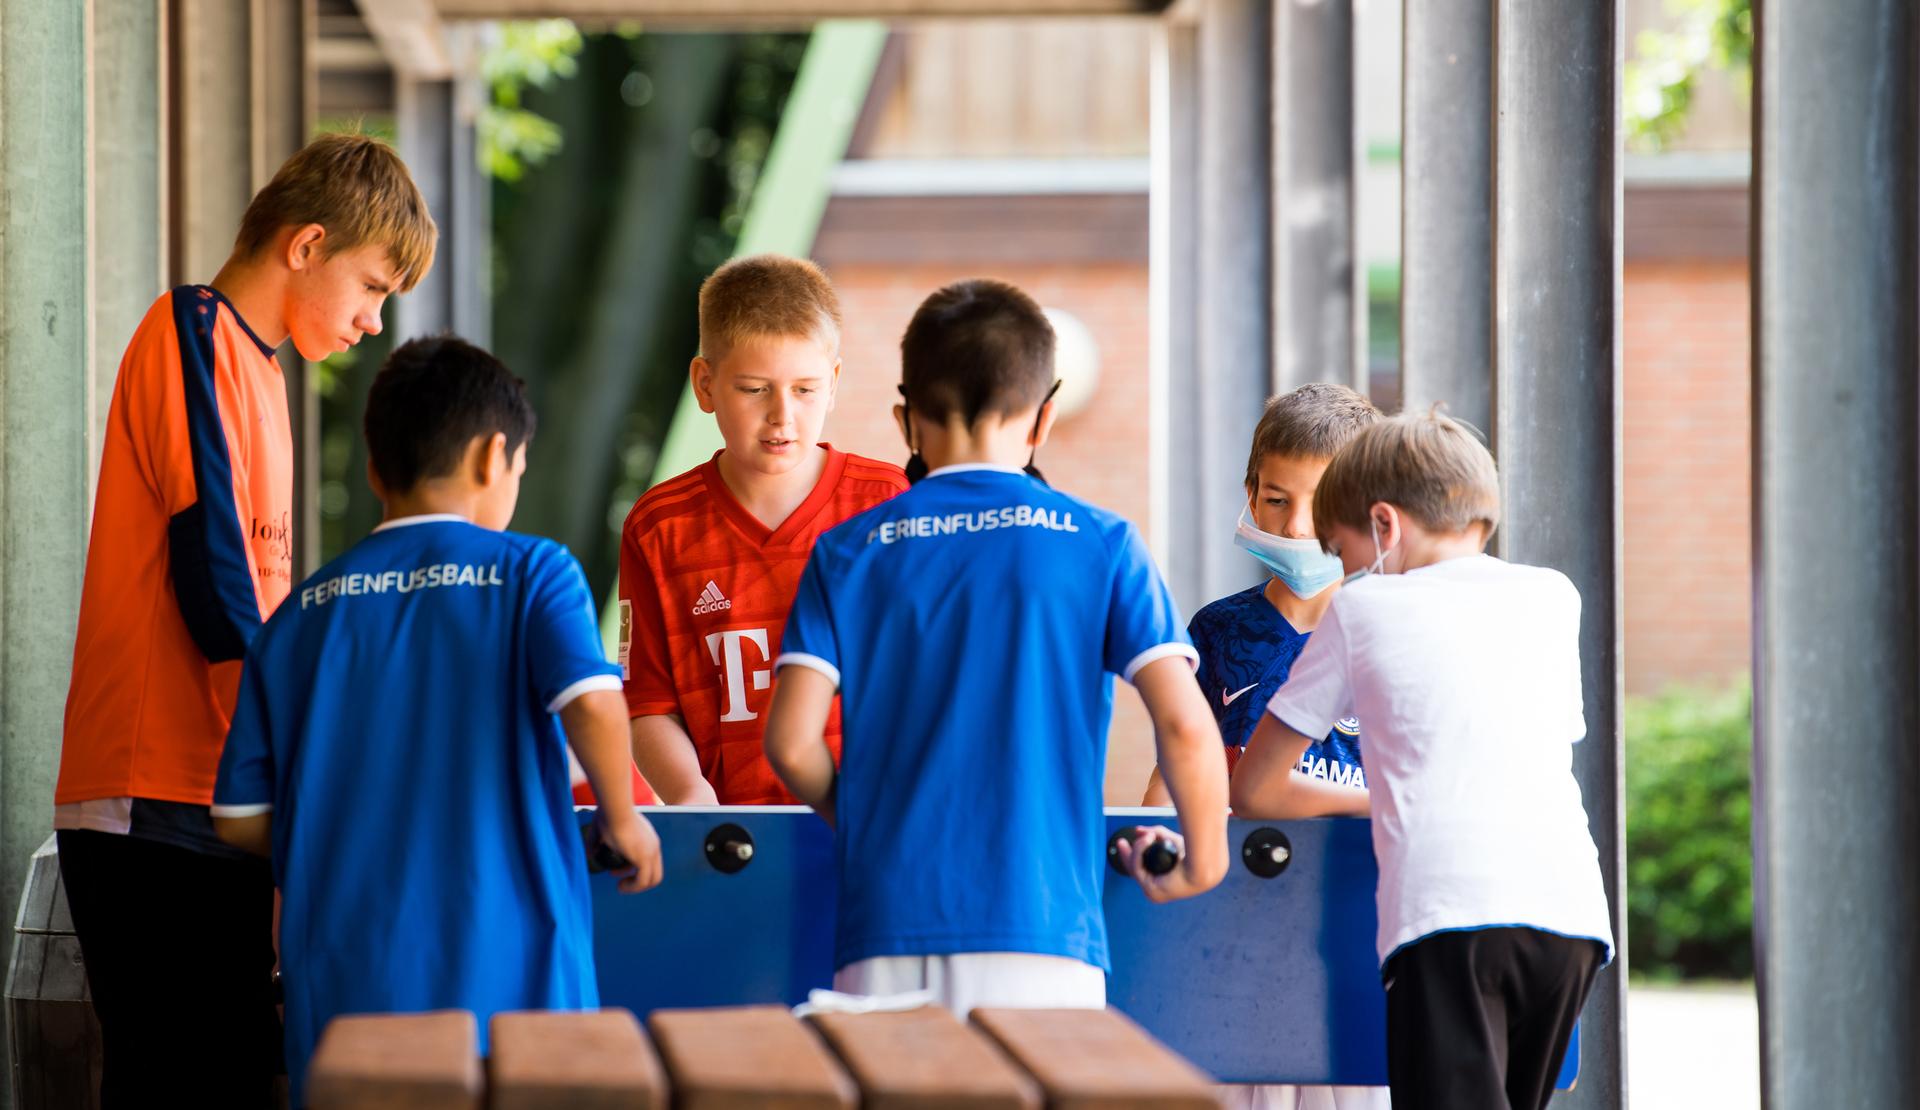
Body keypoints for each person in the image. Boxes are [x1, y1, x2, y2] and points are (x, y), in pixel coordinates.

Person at [51, 131, 435, 1105]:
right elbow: (218, 585)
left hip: (219, 800)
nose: (370, 323)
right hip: (152, 797)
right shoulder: (193, 330)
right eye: (372, 288)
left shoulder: (266, 374)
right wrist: (332, 732)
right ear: (306, 246)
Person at [211, 337, 663, 1105]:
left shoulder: (295, 619)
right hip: (515, 994)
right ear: (494, 457)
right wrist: (623, 820)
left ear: (375, 470)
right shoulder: (531, 572)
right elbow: (590, 700)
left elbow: (238, 819)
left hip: (345, 998)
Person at [764, 278, 1229, 1015]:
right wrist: (1204, 855)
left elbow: (791, 743)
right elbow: (1181, 721)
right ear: (1044, 419)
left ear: (905, 419)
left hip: (886, 933)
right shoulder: (1103, 543)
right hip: (1045, 935)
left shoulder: (848, 550)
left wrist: (868, 824)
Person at [1232, 410, 1613, 1110]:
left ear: (1384, 525)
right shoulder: (1555, 595)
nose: (1343, 574)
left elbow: (1255, 787)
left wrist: (1379, 801)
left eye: (1340, 552)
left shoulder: (1365, 607)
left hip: (1450, 914)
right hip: (1572, 918)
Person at [618, 254, 906, 805]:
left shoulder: (890, 505)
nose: (782, 416)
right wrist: (692, 801)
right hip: (738, 846)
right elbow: (648, 706)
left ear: (835, 382)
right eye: (754, 389)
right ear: (705, 385)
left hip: (877, 834)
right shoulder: (659, 527)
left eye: (805, 389)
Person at [1142, 383, 1378, 818]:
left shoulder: (1389, 634)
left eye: (1321, 501)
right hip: (1234, 875)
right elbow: (1175, 768)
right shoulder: (1216, 631)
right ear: (1251, 496)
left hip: (1355, 874)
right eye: (1277, 500)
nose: (1297, 527)